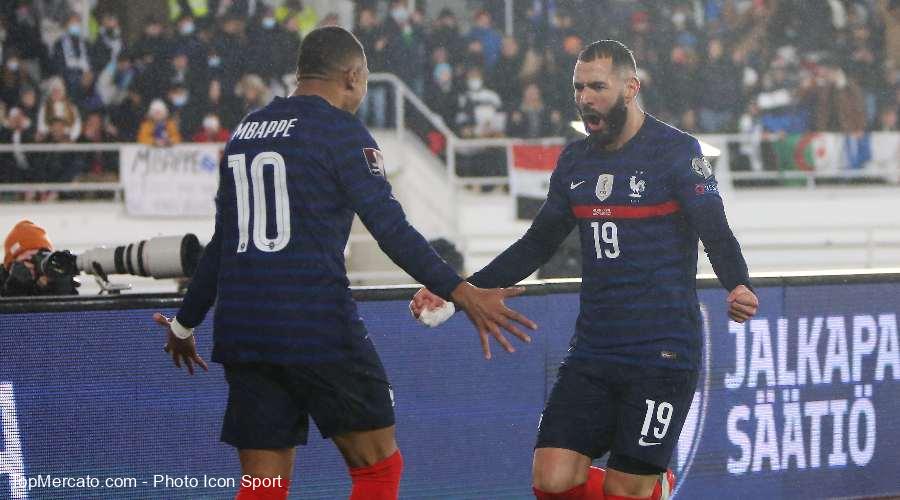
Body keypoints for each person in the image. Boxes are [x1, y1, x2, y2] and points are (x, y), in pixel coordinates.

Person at [150, 26, 536, 500]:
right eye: (366, 80)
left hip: (246, 330)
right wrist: (462, 292)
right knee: (378, 470)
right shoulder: (339, 130)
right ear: (352, 76)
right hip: (316, 324)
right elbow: (391, 229)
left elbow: (222, 244)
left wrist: (185, 325)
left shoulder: (246, 132)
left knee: (263, 486)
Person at [411, 40, 760, 500]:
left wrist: (738, 284)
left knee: (623, 492)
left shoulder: (677, 152)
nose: (585, 97)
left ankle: (650, 487)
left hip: (663, 353)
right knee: (551, 479)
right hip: (594, 350)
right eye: (579, 87)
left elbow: (716, 231)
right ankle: (651, 486)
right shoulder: (575, 162)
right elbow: (535, 245)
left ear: (630, 88)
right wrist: (460, 291)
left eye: (597, 86)